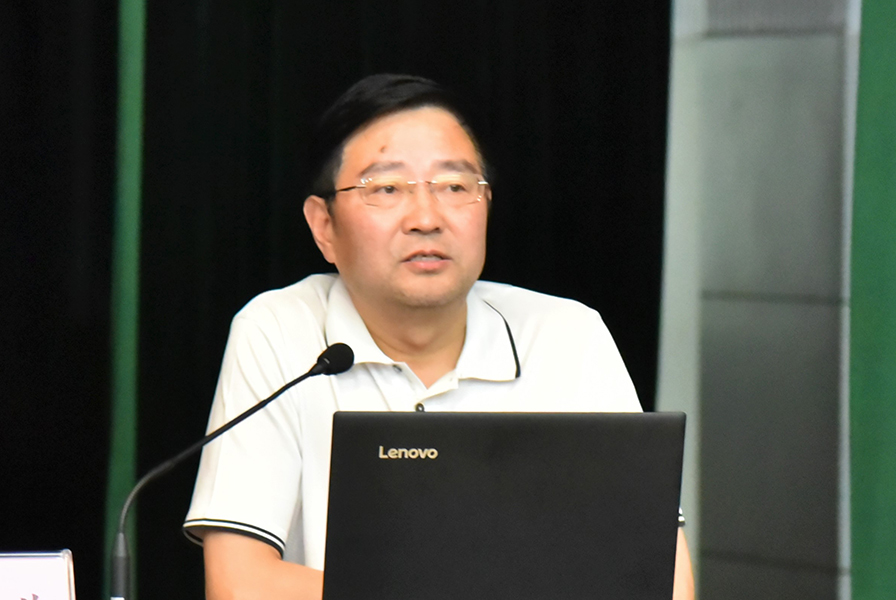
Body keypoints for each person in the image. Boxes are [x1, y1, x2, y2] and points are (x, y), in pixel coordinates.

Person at [184, 74, 694, 599]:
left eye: (454, 187)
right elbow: (239, 584)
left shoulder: (569, 337)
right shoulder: (279, 331)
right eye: (386, 189)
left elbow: (660, 574)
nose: (426, 218)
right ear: (324, 227)